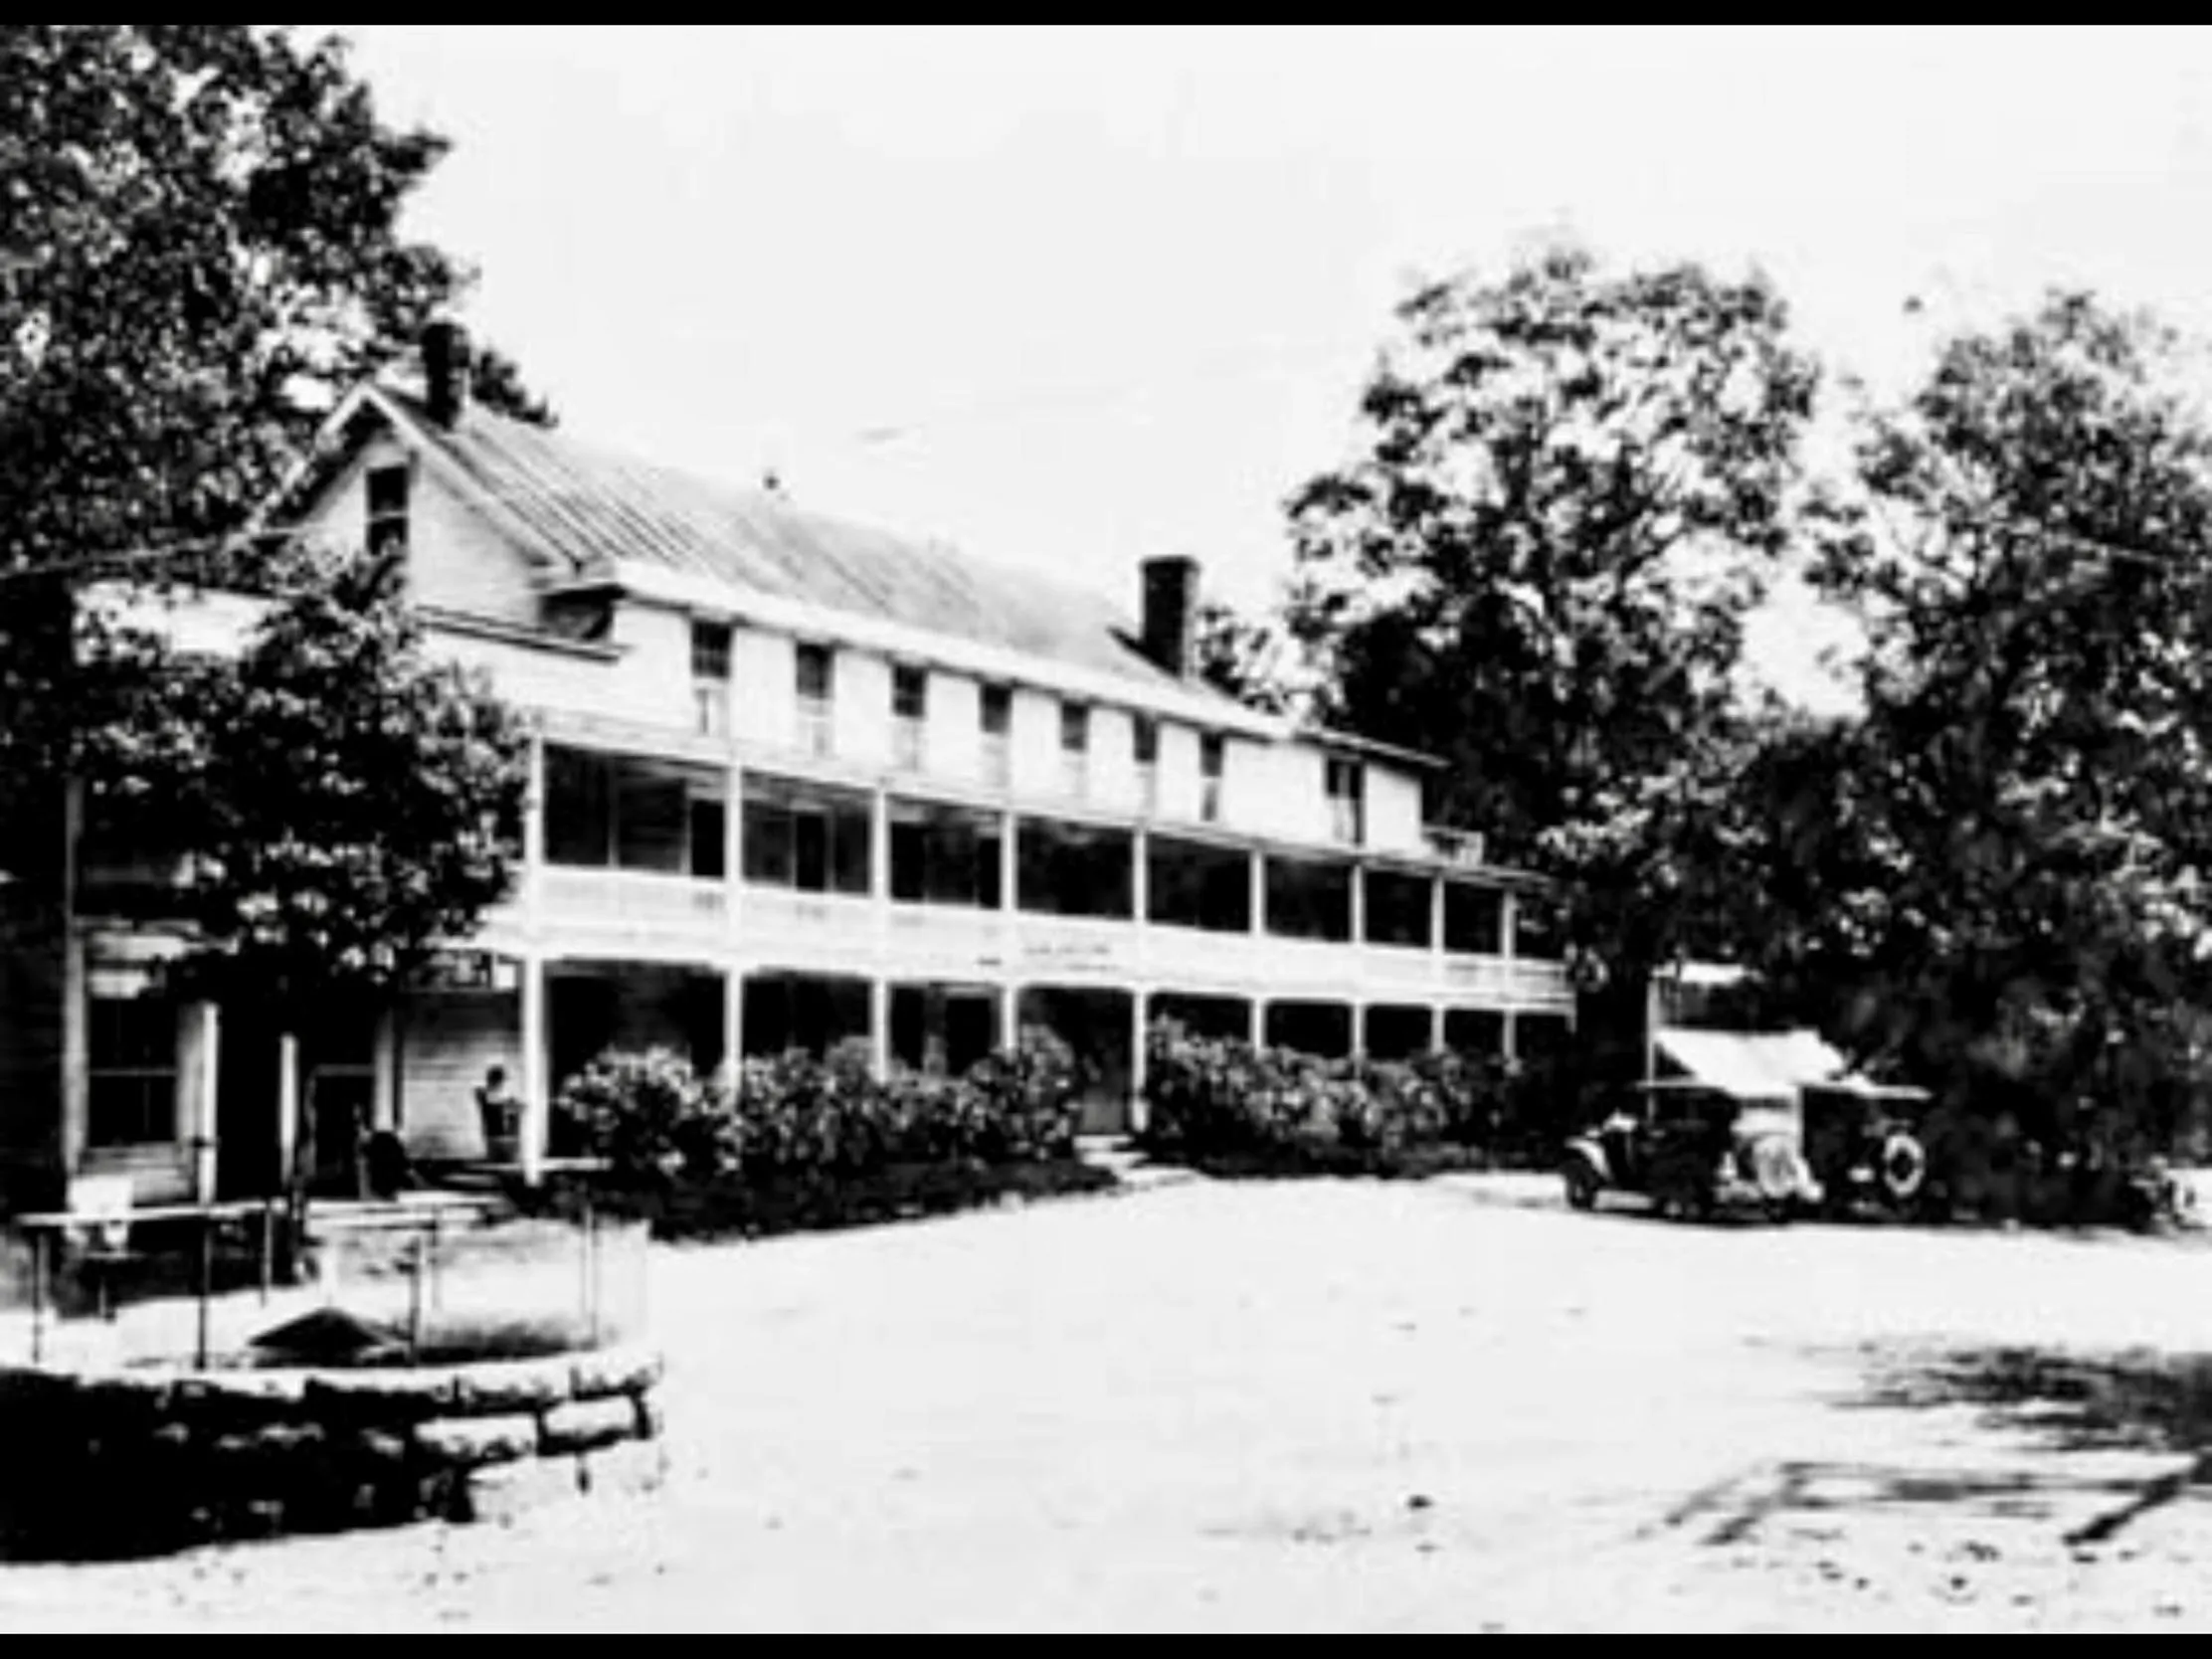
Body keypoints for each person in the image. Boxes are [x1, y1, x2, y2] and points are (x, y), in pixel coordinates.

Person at [475, 1065, 521, 1163]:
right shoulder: (484, 1095)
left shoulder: (507, 1099)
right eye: (500, 1081)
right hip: (498, 1139)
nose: (500, 1084)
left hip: (506, 1139)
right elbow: (485, 1096)